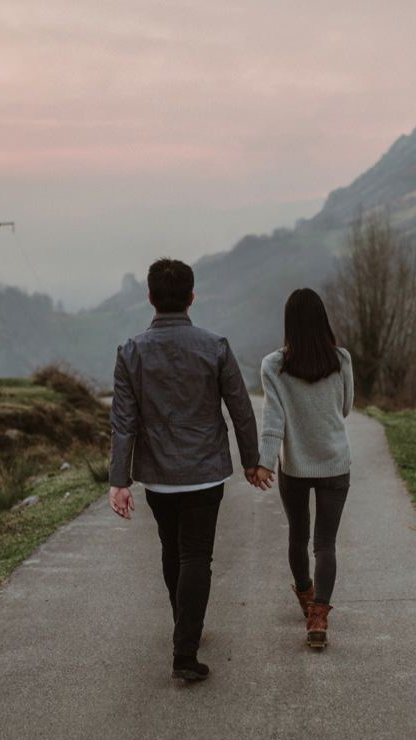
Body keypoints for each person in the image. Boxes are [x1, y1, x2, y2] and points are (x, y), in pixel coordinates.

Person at [108, 258, 261, 682]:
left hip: (158, 474)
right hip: (206, 471)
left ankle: (185, 627)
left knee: (172, 550)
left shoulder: (131, 351)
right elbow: (241, 410)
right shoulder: (215, 347)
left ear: (151, 298)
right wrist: (251, 460)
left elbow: (124, 421)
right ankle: (185, 650)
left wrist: (119, 481)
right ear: (192, 298)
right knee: (196, 554)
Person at [254, 288, 354, 648]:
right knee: (325, 544)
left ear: (289, 324)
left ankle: (306, 597)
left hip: (294, 466)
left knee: (299, 534)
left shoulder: (274, 366)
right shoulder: (340, 360)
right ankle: (318, 618)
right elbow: (345, 408)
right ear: (322, 319)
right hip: (335, 463)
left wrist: (265, 463)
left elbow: (273, 420)